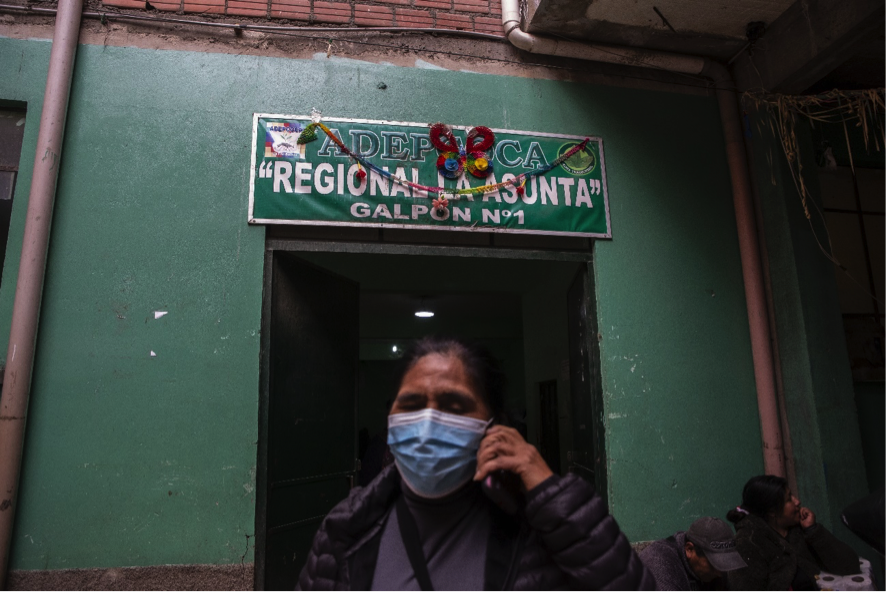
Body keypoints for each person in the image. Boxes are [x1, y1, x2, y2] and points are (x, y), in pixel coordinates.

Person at [296, 336, 656, 591]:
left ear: (492, 426)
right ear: (390, 417)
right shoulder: (346, 529)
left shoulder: (538, 531)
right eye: (410, 404)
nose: (427, 423)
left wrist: (550, 491)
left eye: (454, 406)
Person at [726, 475, 861, 592]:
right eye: (789, 499)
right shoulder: (749, 543)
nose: (797, 501)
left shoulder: (798, 531)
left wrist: (813, 530)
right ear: (772, 511)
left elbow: (849, 566)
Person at [639, 516, 746, 591]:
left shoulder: (713, 573)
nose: (720, 573)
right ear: (689, 549)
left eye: (725, 563)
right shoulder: (659, 567)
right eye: (714, 563)